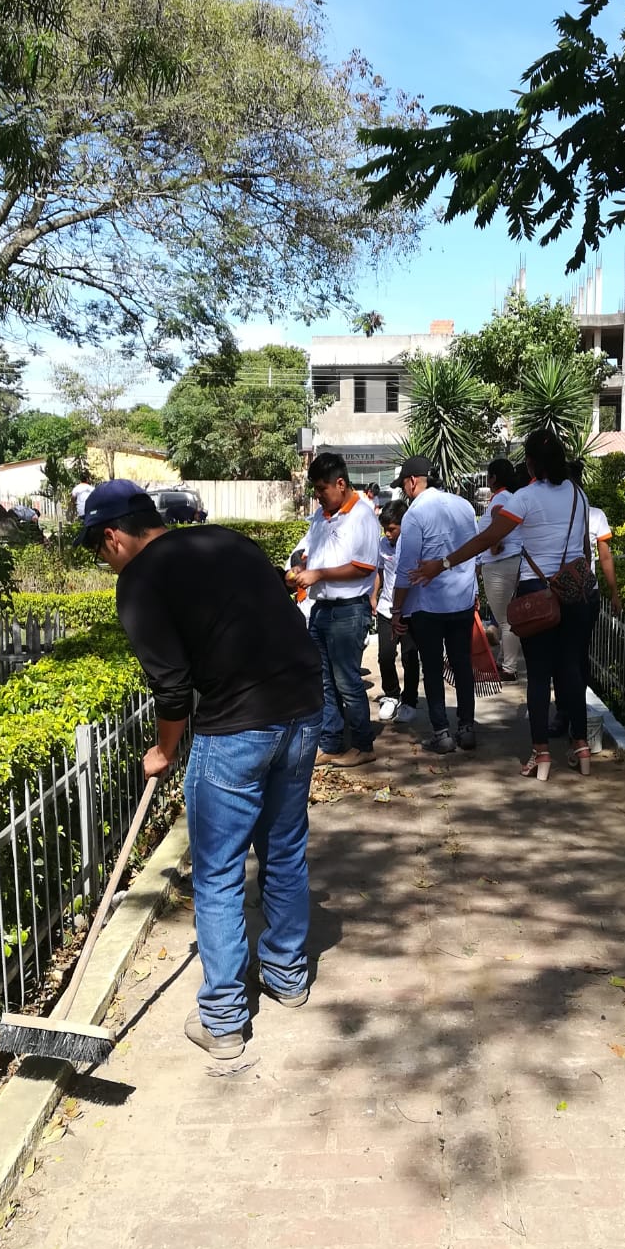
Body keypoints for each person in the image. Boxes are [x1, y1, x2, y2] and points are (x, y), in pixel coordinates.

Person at [74, 480, 324, 1061]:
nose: (102, 560)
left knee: (217, 874)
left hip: (236, 728)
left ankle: (224, 1020)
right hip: (303, 711)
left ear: (112, 536)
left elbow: (171, 687)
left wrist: (162, 752)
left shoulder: (139, 582)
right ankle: (287, 978)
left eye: (96, 548)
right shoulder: (228, 543)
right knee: (284, 850)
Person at [410, 431, 592, 781]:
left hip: (538, 591)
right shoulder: (577, 494)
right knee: (571, 670)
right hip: (576, 593)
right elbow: (582, 547)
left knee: (538, 676)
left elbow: (487, 539)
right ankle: (581, 747)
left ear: (530, 464)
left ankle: (540, 756)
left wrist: (442, 564)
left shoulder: (524, 498)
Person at [290, 452, 379, 768]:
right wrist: (302, 564)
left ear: (340, 483)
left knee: (347, 682)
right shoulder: (321, 516)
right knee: (323, 681)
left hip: (348, 611)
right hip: (321, 608)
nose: (318, 496)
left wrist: (320, 574)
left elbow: (364, 567)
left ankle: (363, 744)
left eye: (321, 489)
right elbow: (310, 551)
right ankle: (330, 743)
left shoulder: (363, 516)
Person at [391, 455, 478, 755]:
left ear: (413, 481)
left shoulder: (415, 515)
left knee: (432, 667)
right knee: (462, 664)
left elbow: (405, 569)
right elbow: (474, 553)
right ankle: (466, 728)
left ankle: (441, 732)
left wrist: (396, 610)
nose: (404, 491)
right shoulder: (464, 506)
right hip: (462, 600)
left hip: (428, 605)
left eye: (403, 484)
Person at [550, 459, 621, 737]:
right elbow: (604, 556)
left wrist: (614, 591)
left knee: (572, 655)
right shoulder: (581, 514)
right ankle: (568, 713)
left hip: (579, 593)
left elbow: (605, 555)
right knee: (573, 655)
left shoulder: (595, 515)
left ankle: (570, 713)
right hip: (574, 593)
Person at [372, 499, 420, 723]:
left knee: (410, 657)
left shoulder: (414, 545)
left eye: (392, 529)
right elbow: (379, 573)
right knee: (385, 655)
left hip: (410, 611)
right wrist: (373, 596)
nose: (388, 534)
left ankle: (409, 701)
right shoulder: (382, 545)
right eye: (385, 529)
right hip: (386, 609)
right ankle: (391, 695)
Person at [476, 458, 523, 684]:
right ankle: (504, 661)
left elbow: (497, 521)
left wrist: (494, 545)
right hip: (511, 562)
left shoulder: (500, 499)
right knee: (507, 618)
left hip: (499, 564)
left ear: (493, 478)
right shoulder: (512, 497)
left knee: (506, 620)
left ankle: (508, 667)